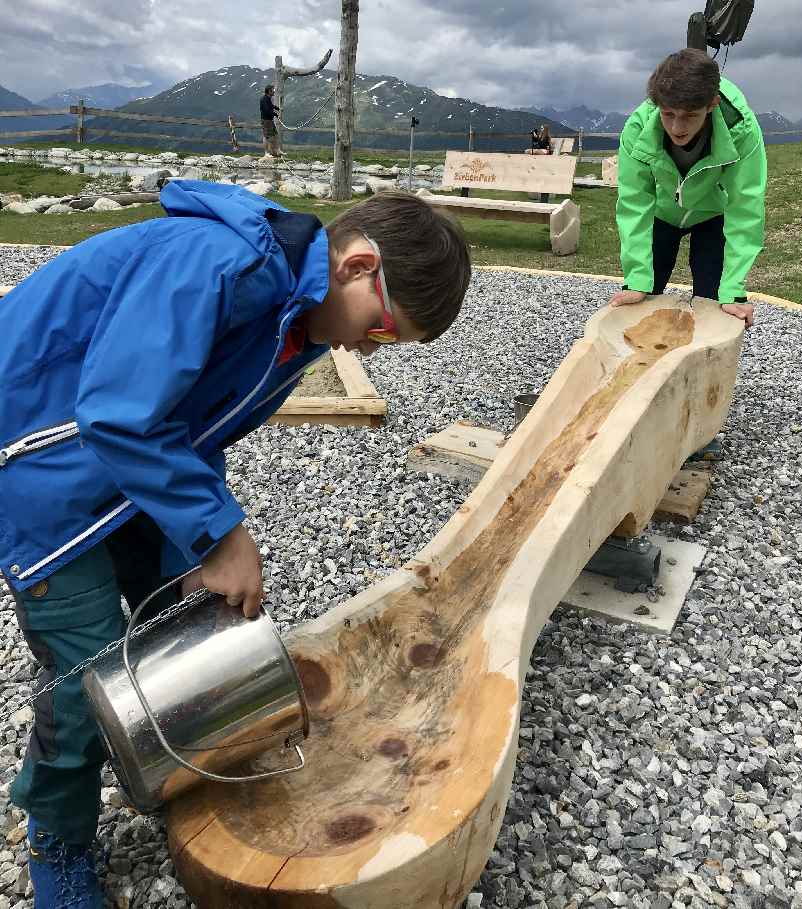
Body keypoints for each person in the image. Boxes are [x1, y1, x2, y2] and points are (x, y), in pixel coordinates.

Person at [0, 182, 470, 908]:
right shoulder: (219, 266)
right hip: (38, 467)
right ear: (356, 264)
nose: (363, 347)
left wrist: (196, 547)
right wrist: (220, 533)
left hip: (117, 468)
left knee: (180, 620)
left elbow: (197, 422)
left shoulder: (296, 326)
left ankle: (164, 753)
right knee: (87, 674)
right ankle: (55, 835)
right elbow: (117, 414)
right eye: (381, 331)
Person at [610, 48, 767, 328]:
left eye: (690, 116)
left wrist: (733, 291)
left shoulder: (742, 130)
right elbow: (634, 202)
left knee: (715, 308)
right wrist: (635, 279)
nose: (677, 127)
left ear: (712, 104)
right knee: (642, 299)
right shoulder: (637, 129)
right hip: (661, 213)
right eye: (668, 114)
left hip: (712, 214)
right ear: (656, 104)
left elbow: (745, 206)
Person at [260, 83, 280, 156]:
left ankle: (277, 150)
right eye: (272, 90)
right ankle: (266, 153)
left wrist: (276, 108)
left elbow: (270, 106)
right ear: (269, 91)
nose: (274, 91)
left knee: (275, 135)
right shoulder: (264, 99)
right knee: (266, 136)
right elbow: (266, 110)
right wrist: (274, 114)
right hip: (266, 121)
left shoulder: (267, 98)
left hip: (269, 120)